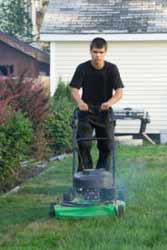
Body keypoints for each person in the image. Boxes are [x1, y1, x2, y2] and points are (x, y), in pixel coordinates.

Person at [69, 37, 124, 171]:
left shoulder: (112, 69)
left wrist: (109, 103)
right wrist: (80, 102)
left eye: (100, 52)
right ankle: (85, 175)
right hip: (86, 111)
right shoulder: (82, 68)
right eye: (95, 52)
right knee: (84, 144)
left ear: (105, 52)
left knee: (107, 146)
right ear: (90, 51)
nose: (97, 55)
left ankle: (103, 175)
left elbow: (119, 91)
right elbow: (74, 89)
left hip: (104, 112)